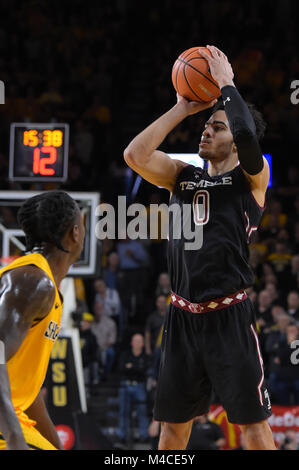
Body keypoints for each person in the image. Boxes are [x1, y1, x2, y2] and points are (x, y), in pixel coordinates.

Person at [124, 45, 276, 450]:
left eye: (218, 127)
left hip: (230, 318)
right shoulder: (182, 176)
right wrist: (182, 109)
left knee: (254, 429)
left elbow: (246, 134)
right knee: (172, 431)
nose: (206, 130)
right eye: (207, 125)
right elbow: (134, 155)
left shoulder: (251, 181)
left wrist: (226, 84)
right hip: (182, 318)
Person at [0, 191, 85, 450]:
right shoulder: (32, 282)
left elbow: (26, 387)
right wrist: (15, 438)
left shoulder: (43, 285)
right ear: (75, 233)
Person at [117, 333, 151, 444]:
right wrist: (136, 368)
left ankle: (143, 435)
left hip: (139, 385)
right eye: (135, 341)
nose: (137, 343)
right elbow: (121, 368)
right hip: (125, 385)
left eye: (140, 341)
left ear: (143, 344)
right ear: (131, 343)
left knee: (142, 411)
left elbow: (144, 371)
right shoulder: (125, 354)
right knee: (123, 411)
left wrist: (131, 367)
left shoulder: (145, 357)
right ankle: (122, 435)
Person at [91, 301, 117, 380]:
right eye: (97, 308)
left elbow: (112, 340)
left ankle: (105, 373)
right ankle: (95, 377)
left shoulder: (110, 322)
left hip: (105, 347)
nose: (98, 310)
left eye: (100, 308)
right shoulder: (90, 321)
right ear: (94, 309)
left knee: (110, 352)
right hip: (93, 347)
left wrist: (102, 346)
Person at [79, 312, 100, 391]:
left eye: (86, 322)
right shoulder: (75, 333)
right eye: (83, 322)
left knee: (85, 383)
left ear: (90, 324)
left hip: (85, 365)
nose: (84, 324)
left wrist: (86, 361)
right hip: (73, 363)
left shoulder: (92, 337)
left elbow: (94, 352)